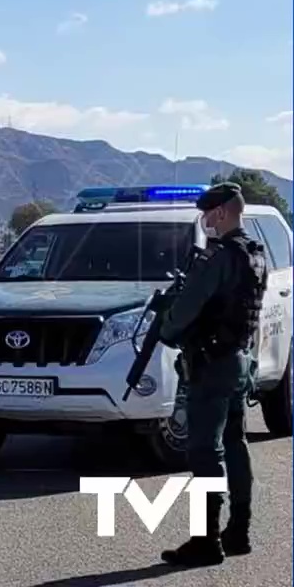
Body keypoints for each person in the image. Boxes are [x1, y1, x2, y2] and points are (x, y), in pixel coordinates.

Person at [157, 181, 268, 567]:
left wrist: (168, 328)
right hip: (239, 362)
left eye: (207, 212)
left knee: (206, 450)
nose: (204, 219)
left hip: (212, 365)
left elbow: (185, 311)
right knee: (235, 445)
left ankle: (207, 540)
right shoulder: (255, 253)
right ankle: (239, 530)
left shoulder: (218, 256)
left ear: (220, 213)